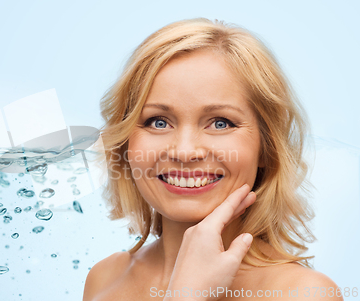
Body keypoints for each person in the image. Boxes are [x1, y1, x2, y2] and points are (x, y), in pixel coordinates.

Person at [83, 18, 342, 301]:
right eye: (158, 122)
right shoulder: (104, 280)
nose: (184, 152)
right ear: (125, 144)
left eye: (220, 123)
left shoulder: (303, 294)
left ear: (267, 148)